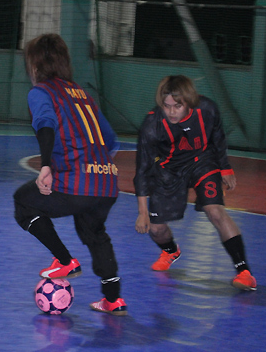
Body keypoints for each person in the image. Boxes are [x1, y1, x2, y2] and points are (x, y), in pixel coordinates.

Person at [13, 33, 127, 315]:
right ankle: (113, 300)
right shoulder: (82, 94)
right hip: (107, 183)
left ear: (34, 66)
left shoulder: (41, 92)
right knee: (94, 232)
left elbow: (46, 124)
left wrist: (47, 165)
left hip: (76, 181)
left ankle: (64, 260)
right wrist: (95, 170)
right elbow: (110, 141)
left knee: (23, 202)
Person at [134, 75, 257, 291]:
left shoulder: (207, 109)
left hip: (202, 162)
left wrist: (225, 167)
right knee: (156, 230)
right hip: (168, 171)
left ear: (189, 102)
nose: (171, 112)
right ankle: (171, 251)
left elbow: (217, 136)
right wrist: (142, 212)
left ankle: (244, 272)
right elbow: (142, 169)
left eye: (177, 106)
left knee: (215, 211)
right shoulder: (152, 124)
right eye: (166, 106)